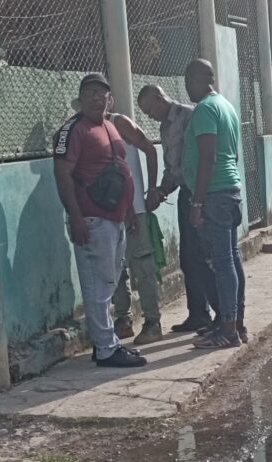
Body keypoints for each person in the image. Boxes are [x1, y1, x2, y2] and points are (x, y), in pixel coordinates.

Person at [53, 73, 147, 367]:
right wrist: (76, 218)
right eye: (90, 92)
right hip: (91, 219)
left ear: (110, 99)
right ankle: (106, 349)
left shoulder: (109, 125)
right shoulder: (72, 130)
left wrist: (129, 210)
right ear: (80, 98)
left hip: (115, 218)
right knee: (97, 285)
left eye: (102, 93)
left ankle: (107, 343)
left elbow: (119, 167)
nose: (97, 97)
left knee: (108, 283)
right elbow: (63, 174)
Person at [137, 84, 223, 334]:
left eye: (149, 109)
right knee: (188, 257)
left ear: (158, 97)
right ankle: (198, 313)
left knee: (206, 257)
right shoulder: (165, 127)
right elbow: (173, 168)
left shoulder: (190, 115)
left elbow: (203, 157)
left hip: (201, 193)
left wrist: (199, 198)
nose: (149, 116)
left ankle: (222, 315)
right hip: (185, 193)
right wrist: (161, 191)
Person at [181, 59, 248, 349]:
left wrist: (197, 202)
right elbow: (230, 154)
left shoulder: (206, 109)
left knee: (222, 263)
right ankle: (234, 324)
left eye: (187, 82)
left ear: (198, 79)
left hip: (215, 194)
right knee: (230, 259)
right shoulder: (226, 106)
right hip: (228, 190)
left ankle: (229, 329)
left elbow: (208, 157)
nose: (186, 90)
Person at [108, 111, 164, 345]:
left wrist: (152, 189)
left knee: (142, 264)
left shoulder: (119, 123)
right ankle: (124, 318)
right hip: (109, 210)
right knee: (115, 267)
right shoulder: (89, 128)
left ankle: (153, 321)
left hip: (135, 208)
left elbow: (149, 149)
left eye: (101, 94)